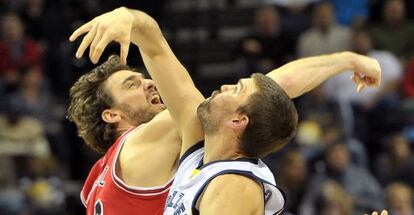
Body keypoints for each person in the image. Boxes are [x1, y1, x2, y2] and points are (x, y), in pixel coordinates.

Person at [69, 7, 381, 215]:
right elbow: (273, 87)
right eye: (132, 84)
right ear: (110, 115)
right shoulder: (149, 139)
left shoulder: (97, 178)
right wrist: (130, 18)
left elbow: (267, 92)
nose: (151, 83)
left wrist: (346, 61)